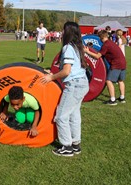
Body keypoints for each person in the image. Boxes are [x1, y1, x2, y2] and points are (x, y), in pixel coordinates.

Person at [40, 21, 89, 157]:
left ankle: (66, 146)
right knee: (74, 115)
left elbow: (67, 71)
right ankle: (75, 144)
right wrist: (53, 72)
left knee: (61, 116)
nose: (61, 33)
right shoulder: (77, 46)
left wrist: (51, 78)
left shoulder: (68, 47)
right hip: (82, 83)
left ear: (67, 32)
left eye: (63, 30)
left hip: (74, 85)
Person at [84, 30, 126, 105]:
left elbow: (97, 56)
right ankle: (122, 98)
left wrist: (87, 52)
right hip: (123, 62)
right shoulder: (111, 42)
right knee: (120, 80)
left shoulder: (106, 44)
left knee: (108, 80)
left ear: (101, 37)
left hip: (116, 64)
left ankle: (112, 100)